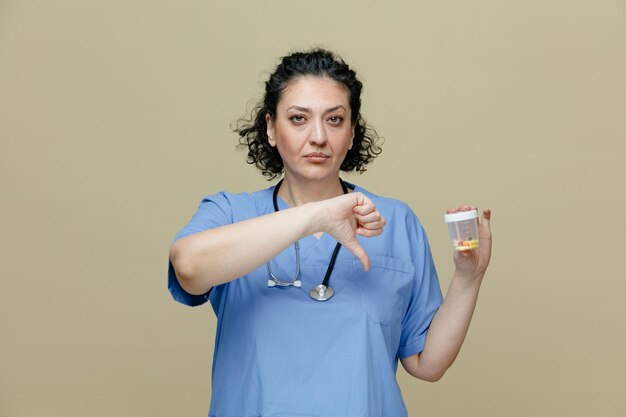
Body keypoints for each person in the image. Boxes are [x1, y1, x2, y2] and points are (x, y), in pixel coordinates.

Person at [168, 49, 492, 417]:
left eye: (335, 119)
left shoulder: (396, 221)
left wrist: (469, 278)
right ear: (271, 128)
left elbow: (427, 364)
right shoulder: (229, 212)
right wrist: (317, 217)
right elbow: (189, 270)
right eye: (298, 119)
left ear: (352, 132)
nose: (318, 136)